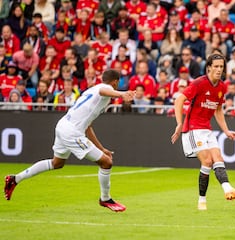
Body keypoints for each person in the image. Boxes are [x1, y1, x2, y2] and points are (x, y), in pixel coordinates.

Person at [4, 69, 136, 213]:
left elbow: (88, 126)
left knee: (57, 163)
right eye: (117, 84)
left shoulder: (91, 92)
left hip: (64, 126)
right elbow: (104, 90)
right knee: (106, 162)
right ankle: (105, 198)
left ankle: (15, 179)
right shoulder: (104, 89)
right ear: (115, 82)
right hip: (71, 132)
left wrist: (101, 148)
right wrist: (122, 93)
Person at [171, 53, 235, 211]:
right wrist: (179, 123)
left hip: (207, 129)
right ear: (209, 68)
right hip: (192, 128)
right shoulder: (199, 83)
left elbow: (218, 110)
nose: (219, 69)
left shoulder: (222, 87)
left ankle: (228, 190)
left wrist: (226, 131)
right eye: (216, 66)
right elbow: (179, 99)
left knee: (218, 158)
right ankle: (202, 200)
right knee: (207, 160)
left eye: (221, 66)